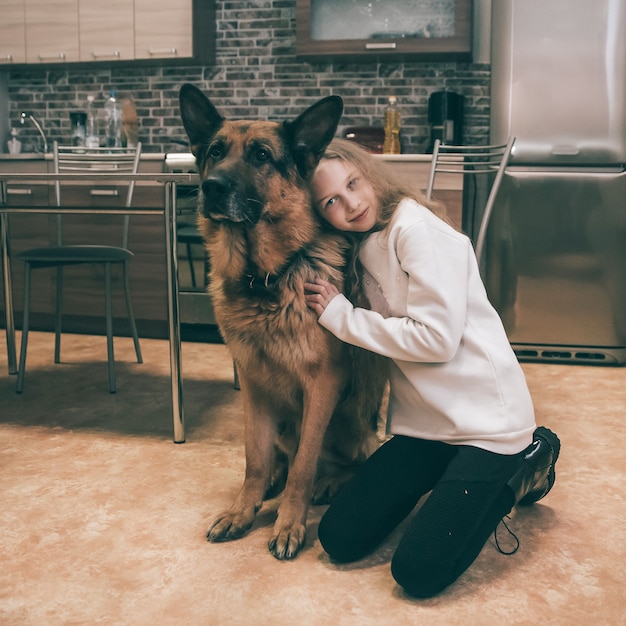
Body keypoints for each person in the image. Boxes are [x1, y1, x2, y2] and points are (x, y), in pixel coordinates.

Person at [304, 138, 561, 598]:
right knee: (338, 539)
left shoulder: (415, 229)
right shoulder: (360, 245)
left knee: (418, 571)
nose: (351, 203)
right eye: (331, 201)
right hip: (427, 428)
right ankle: (455, 477)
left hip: (489, 425)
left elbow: (436, 341)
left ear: (370, 174)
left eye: (353, 183)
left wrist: (342, 317)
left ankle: (528, 460)